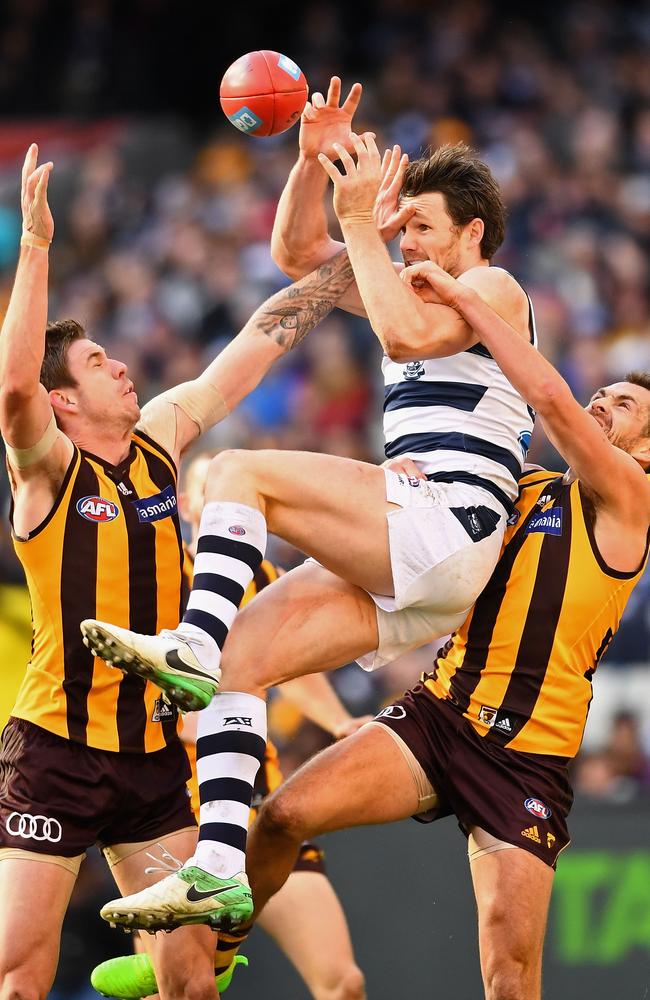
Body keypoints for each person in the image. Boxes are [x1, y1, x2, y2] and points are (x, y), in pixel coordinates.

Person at [84, 87, 540, 930]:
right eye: (405, 231)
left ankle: (188, 638)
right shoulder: (407, 280)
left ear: (473, 233)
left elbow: (402, 335)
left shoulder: (496, 288)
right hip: (421, 557)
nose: (409, 244)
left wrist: (364, 219)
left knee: (234, 471)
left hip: (447, 519)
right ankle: (219, 867)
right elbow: (299, 255)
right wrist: (309, 164)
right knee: (241, 663)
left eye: (424, 229)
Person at [0, 144, 358, 1000]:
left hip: (155, 760)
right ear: (64, 404)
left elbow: (254, 346)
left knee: (192, 981)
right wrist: (38, 245)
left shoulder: (160, 439)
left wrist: (362, 255)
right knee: (20, 974)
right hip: (56, 748)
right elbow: (12, 394)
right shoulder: (46, 470)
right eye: (96, 365)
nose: (121, 366)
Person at [239, 263, 650, 1000]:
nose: (601, 400)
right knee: (282, 815)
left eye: (624, 404)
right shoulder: (518, 486)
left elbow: (550, 397)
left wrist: (469, 301)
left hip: (527, 758)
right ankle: (212, 953)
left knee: (508, 973)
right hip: (440, 716)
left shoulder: (632, 498)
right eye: (605, 391)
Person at [90, 453, 367, 1000]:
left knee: (344, 981)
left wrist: (338, 722)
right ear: (190, 507)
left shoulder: (263, 575)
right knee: (183, 989)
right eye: (212, 488)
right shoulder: (154, 575)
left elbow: (287, 667)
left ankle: (200, 955)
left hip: (257, 798)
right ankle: (189, 958)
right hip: (177, 802)